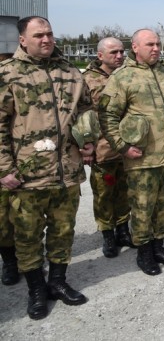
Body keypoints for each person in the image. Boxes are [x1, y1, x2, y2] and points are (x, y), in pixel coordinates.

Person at [0, 16, 95, 319]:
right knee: (27, 236)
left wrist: (89, 140)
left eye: (50, 34)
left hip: (67, 171)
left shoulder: (70, 72)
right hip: (26, 175)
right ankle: (36, 290)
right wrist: (4, 170)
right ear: (22, 40)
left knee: (63, 231)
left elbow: (86, 112)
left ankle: (57, 282)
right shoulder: (7, 74)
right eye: (38, 35)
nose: (46, 39)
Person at [100, 29, 164, 276]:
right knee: (142, 207)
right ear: (135, 47)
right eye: (150, 44)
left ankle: (158, 246)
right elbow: (108, 115)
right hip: (142, 158)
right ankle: (144, 252)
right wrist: (122, 145)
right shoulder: (123, 78)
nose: (155, 48)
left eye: (158, 44)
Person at [83, 37, 134, 258]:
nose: (119, 56)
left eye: (122, 51)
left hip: (129, 147)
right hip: (103, 148)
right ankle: (107, 234)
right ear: (100, 55)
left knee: (126, 191)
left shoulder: (129, 75)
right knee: (104, 193)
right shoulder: (87, 80)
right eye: (113, 52)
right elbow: (83, 115)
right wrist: (86, 144)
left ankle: (123, 230)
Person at [0, 52, 19, 287]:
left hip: (11, 157)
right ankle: (9, 262)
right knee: (2, 221)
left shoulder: (7, 73)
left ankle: (26, 259)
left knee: (17, 215)